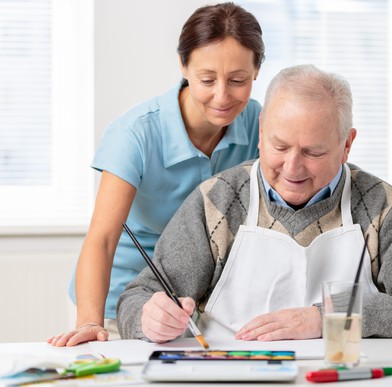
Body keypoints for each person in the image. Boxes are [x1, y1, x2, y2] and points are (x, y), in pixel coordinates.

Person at [117, 64, 392, 342]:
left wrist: (333, 314)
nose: (292, 167)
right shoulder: (216, 200)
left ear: (347, 144)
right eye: (279, 146)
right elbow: (138, 298)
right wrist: (151, 318)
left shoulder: (383, 206)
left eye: (313, 152)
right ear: (260, 132)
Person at [47, 2, 265, 347]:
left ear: (256, 71)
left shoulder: (259, 124)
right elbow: (102, 239)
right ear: (183, 65)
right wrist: (91, 320)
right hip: (120, 302)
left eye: (237, 80)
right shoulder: (134, 134)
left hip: (199, 302)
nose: (222, 96)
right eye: (207, 79)